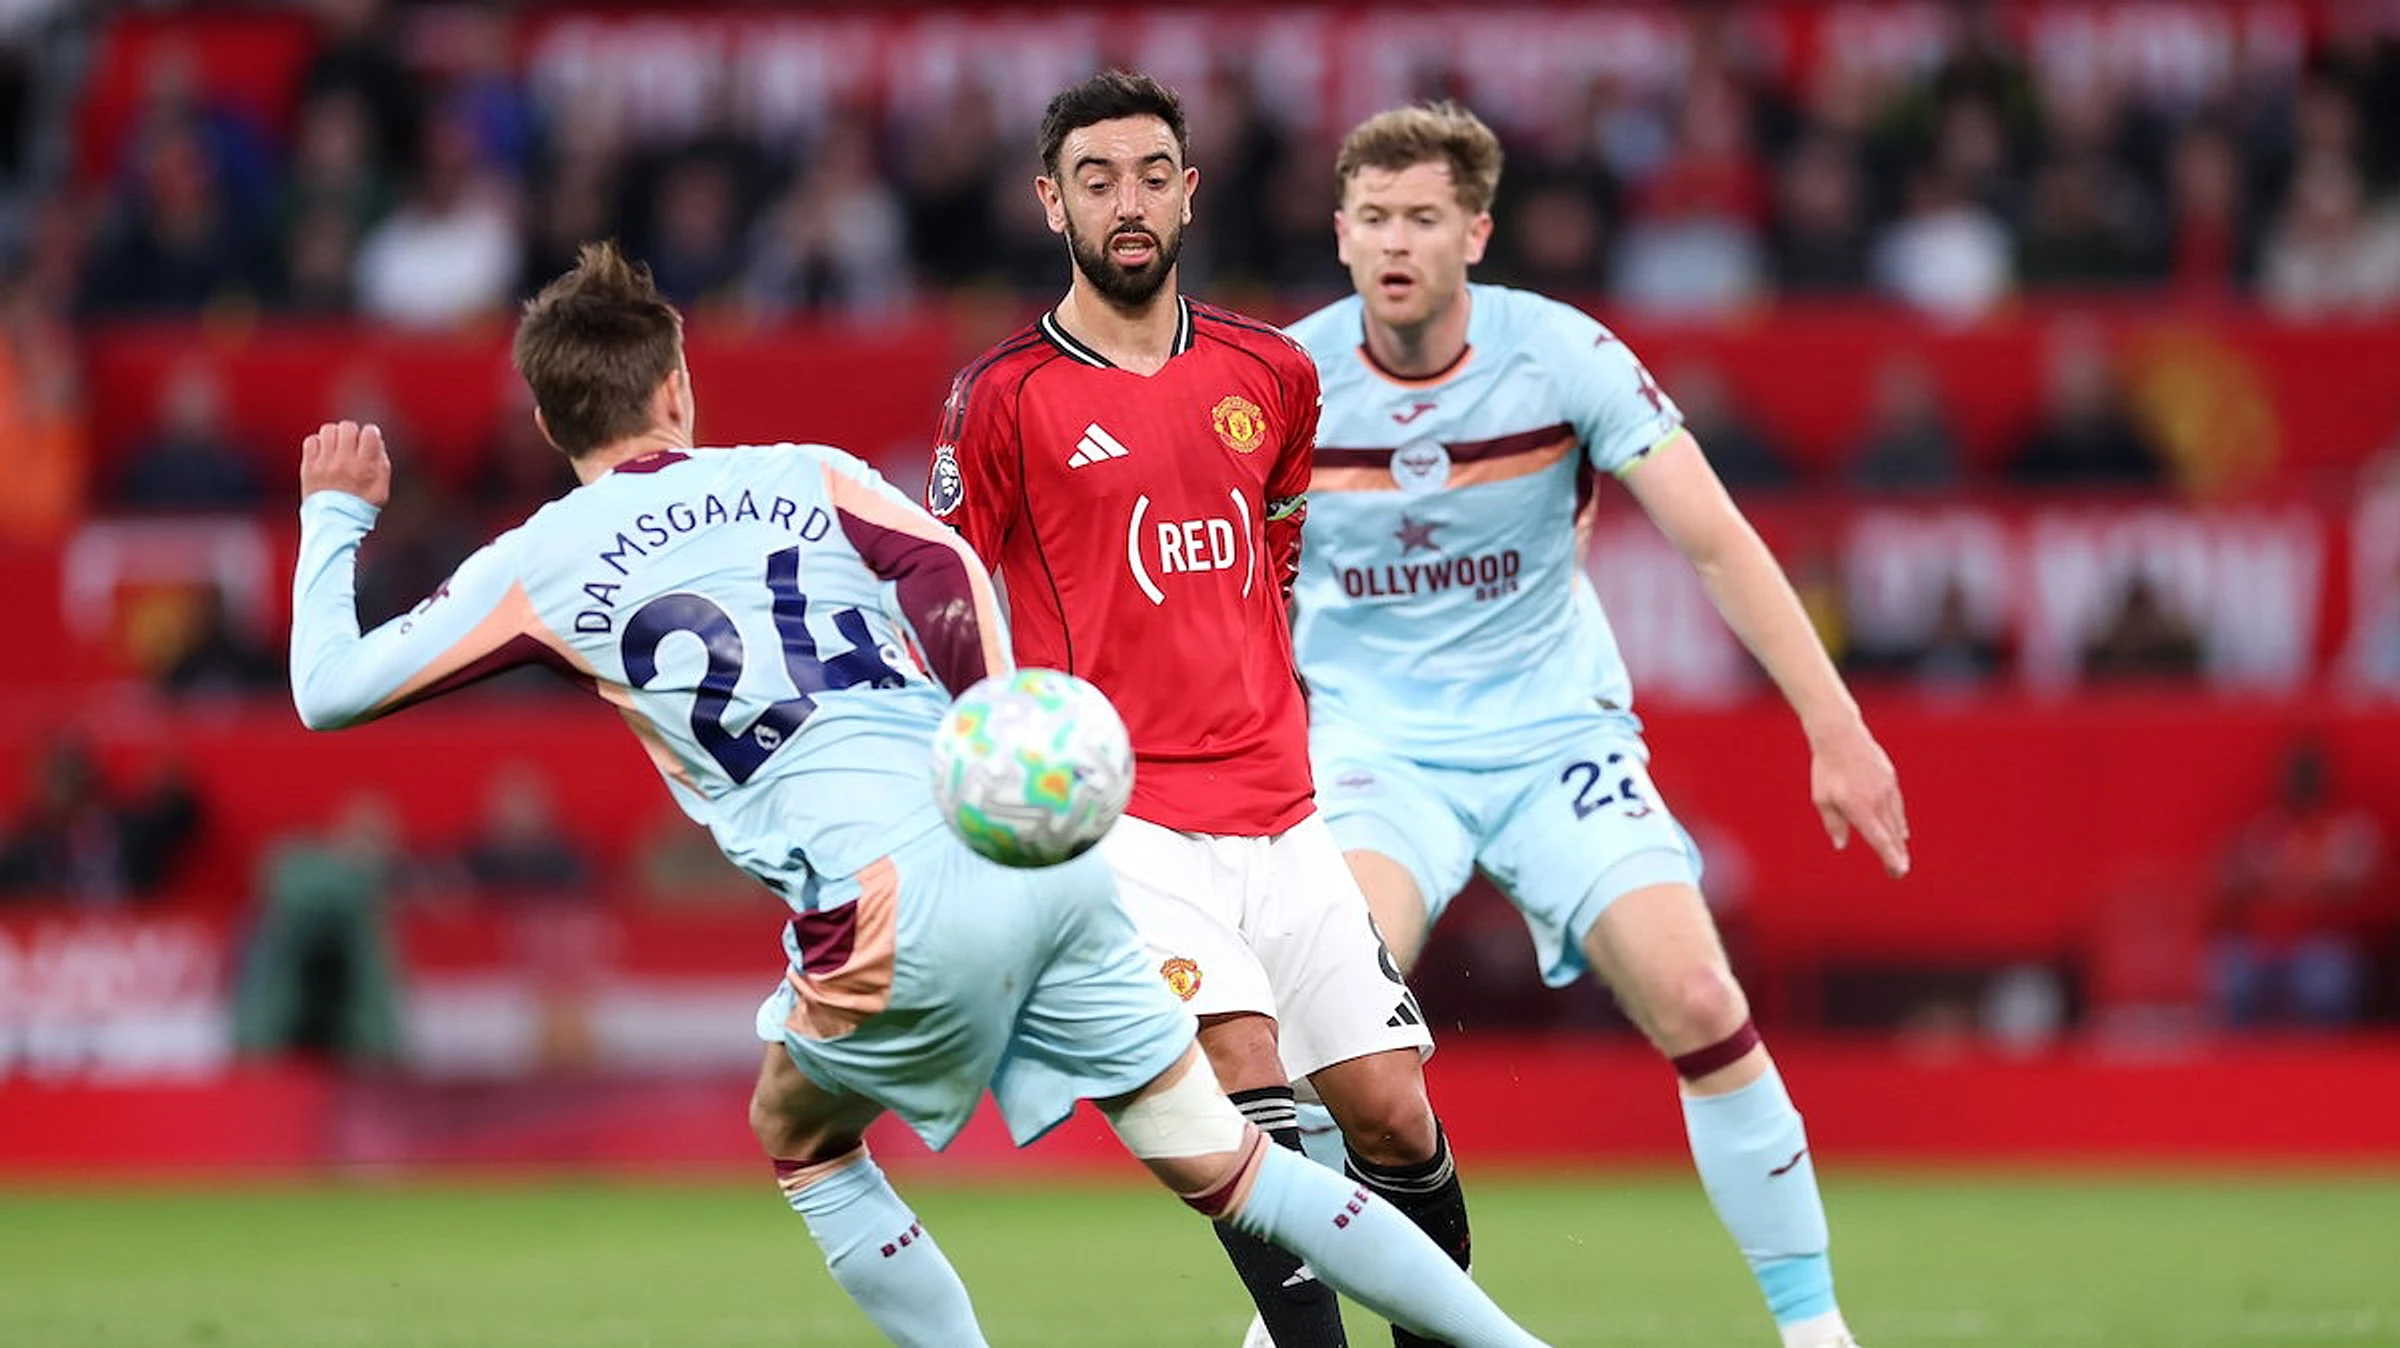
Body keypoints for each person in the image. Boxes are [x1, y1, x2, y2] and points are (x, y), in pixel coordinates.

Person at [287, 242, 1550, 1348]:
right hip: (1036, 859)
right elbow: (949, 567)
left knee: (800, 1129)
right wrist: (1000, 729)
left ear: (548, 419)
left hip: (880, 900)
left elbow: (329, 690)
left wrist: (335, 516)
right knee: (1231, 1158)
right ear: (676, 386)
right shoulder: (808, 472)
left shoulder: (538, 560)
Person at [1282, 102, 1914, 1348]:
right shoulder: (1283, 385)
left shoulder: (1563, 355)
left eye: (1423, 217)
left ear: (1477, 232)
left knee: (1697, 993)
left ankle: (1817, 1331)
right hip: (1373, 750)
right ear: (1340, 233)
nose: (1396, 241)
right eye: (1374, 217)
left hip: (1552, 736)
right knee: (1336, 1044)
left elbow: (1716, 539)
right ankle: (1288, 1325)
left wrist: (1835, 725)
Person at [927, 72, 1475, 1348]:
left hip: (1282, 807)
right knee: (1242, 1085)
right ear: (1050, 201)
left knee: (1392, 1111)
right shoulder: (1002, 395)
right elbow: (943, 596)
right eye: (1097, 180)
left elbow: (1274, 548)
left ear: (1189, 192)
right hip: (1128, 822)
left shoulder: (1271, 371)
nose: (1127, 202)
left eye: (1151, 175)